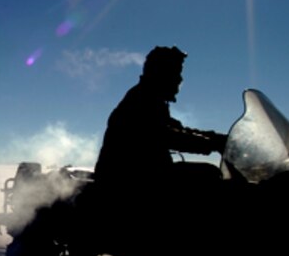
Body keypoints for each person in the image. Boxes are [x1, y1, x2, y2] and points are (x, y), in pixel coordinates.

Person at [93, 46, 225, 190]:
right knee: (208, 175)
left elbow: (178, 130)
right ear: (161, 73)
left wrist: (216, 138)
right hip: (126, 180)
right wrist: (212, 144)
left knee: (208, 173)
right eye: (175, 73)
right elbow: (165, 135)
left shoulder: (153, 101)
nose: (180, 79)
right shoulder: (141, 100)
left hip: (142, 175)